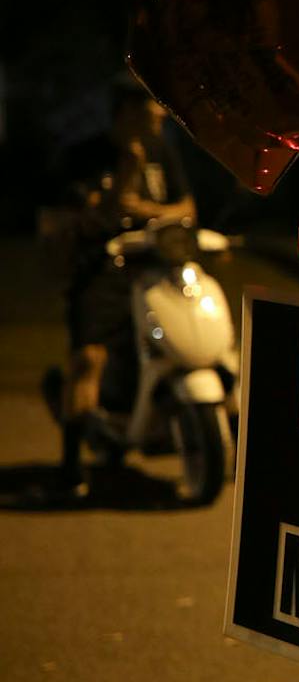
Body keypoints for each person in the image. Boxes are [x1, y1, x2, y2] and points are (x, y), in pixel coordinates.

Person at [54, 76, 193, 496]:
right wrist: (127, 174)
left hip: (154, 267)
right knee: (89, 360)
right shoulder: (88, 157)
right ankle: (71, 465)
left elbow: (186, 207)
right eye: (153, 111)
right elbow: (93, 219)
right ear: (128, 112)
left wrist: (147, 209)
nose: (162, 118)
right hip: (102, 269)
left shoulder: (162, 151)